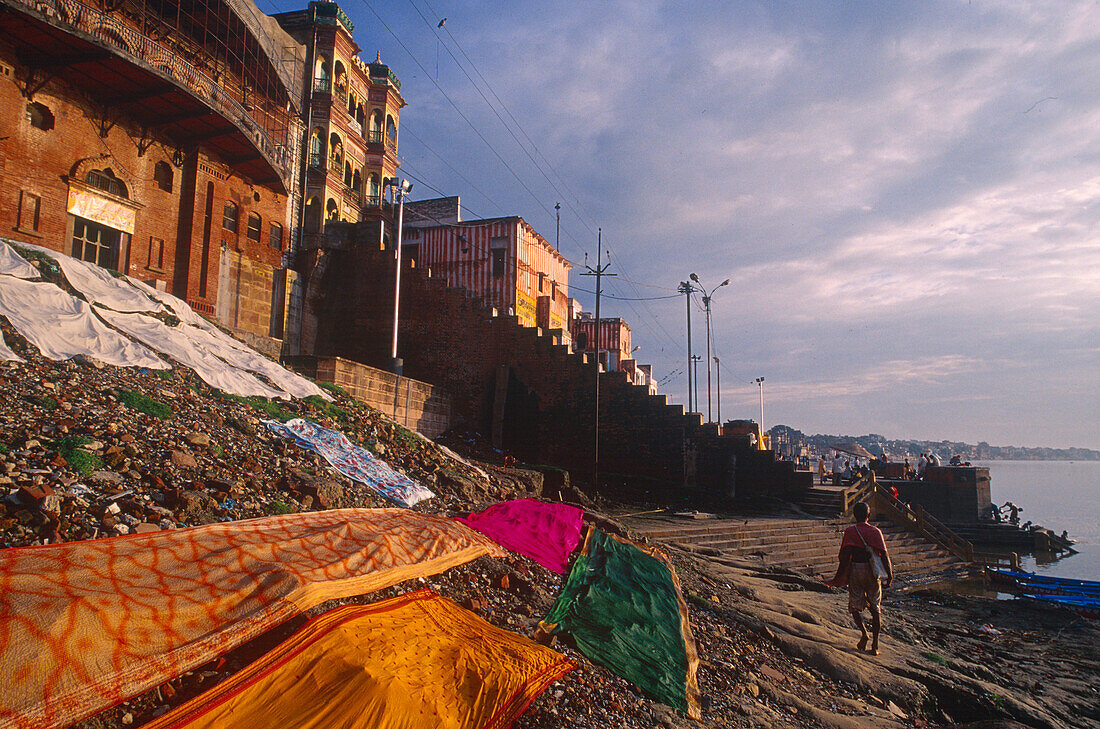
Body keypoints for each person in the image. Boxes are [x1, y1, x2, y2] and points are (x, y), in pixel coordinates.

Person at [825, 501, 892, 655]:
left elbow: (844, 555)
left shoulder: (850, 531)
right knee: (875, 608)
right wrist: (890, 575)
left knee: (855, 606)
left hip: (856, 570)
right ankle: (875, 645)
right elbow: (884, 555)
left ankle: (864, 634)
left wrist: (841, 575)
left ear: (854, 516)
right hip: (872, 572)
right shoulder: (876, 532)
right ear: (869, 515)